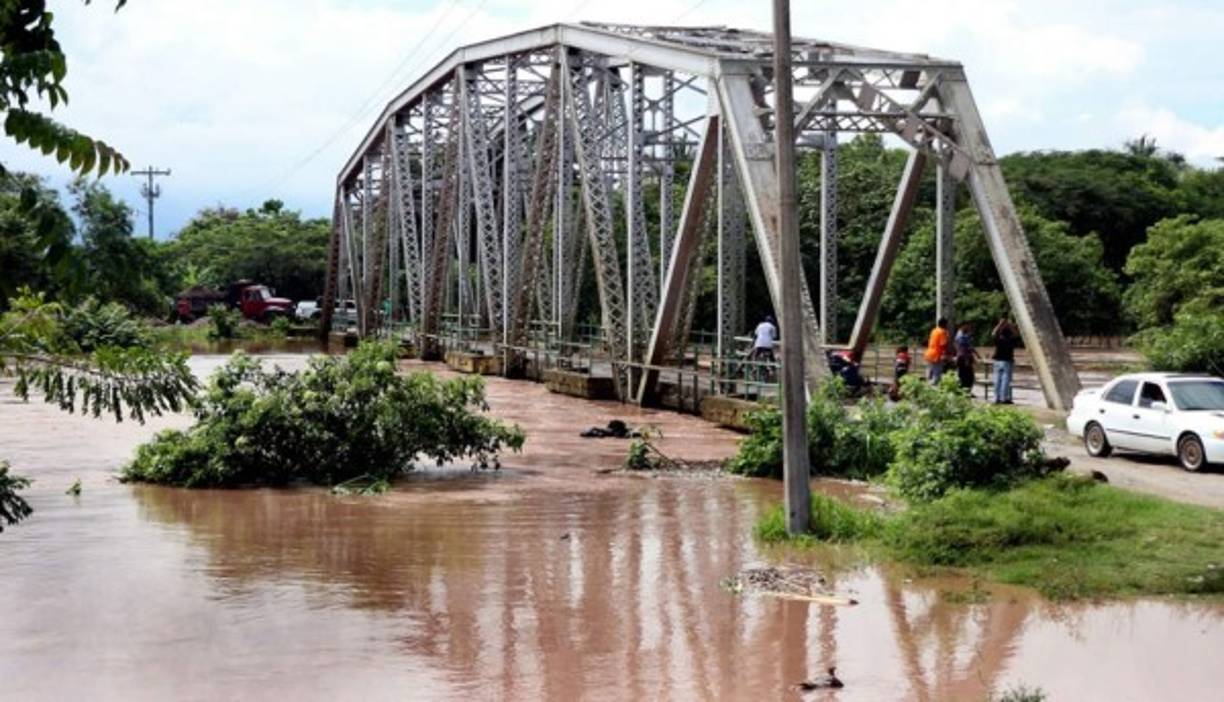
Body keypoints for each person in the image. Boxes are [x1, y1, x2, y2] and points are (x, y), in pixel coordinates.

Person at [992, 318, 1019, 404]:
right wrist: (1010, 325)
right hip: (1007, 361)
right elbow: (1016, 334)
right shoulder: (1010, 339)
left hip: (997, 360)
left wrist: (1000, 324)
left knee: (997, 380)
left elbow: (993, 333)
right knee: (1005, 380)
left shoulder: (998, 338)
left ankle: (996, 398)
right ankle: (1003, 398)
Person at [954, 323, 981, 392]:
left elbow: (970, 347)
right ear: (963, 326)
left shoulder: (964, 335)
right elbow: (964, 349)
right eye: (968, 326)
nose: (969, 327)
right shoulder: (961, 336)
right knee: (967, 377)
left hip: (965, 358)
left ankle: (966, 391)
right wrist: (967, 360)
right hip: (963, 359)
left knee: (967, 376)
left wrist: (977, 355)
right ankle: (964, 391)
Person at [924, 318, 951, 384]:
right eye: (947, 324)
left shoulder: (934, 330)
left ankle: (927, 386)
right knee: (937, 375)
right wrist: (945, 355)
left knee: (930, 374)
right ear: (945, 324)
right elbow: (943, 345)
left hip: (929, 354)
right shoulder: (942, 332)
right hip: (936, 355)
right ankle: (932, 387)